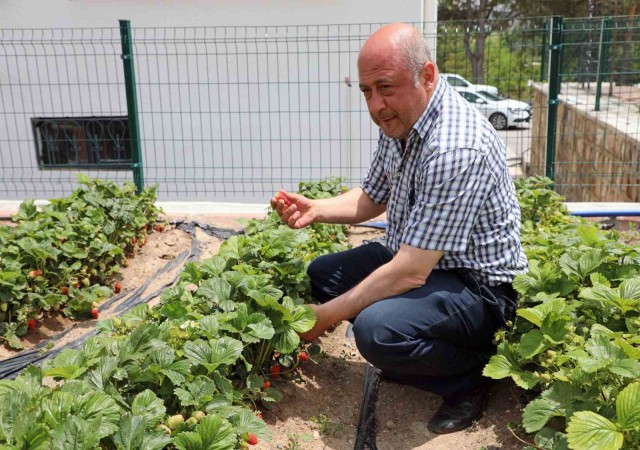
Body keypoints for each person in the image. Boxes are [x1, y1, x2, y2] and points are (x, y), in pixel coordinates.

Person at [270, 23, 528, 434]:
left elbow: (410, 270)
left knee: (375, 331)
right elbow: (373, 196)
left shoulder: (456, 148)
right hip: (421, 259)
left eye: (385, 87)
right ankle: (418, 352)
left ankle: (470, 378)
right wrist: (316, 209)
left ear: (426, 76)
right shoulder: (400, 122)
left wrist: (326, 316)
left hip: (477, 287)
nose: (376, 105)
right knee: (323, 274)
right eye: (366, 91)